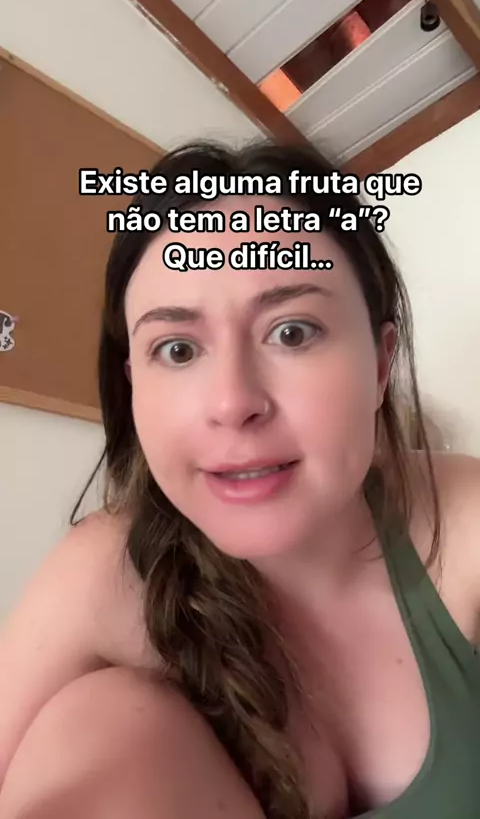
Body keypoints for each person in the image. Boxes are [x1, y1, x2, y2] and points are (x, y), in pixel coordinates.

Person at [1, 139, 479, 819]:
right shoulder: (98, 579)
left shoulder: (462, 517)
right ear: (134, 389)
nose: (232, 402)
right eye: (177, 349)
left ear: (380, 364)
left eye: (292, 332)